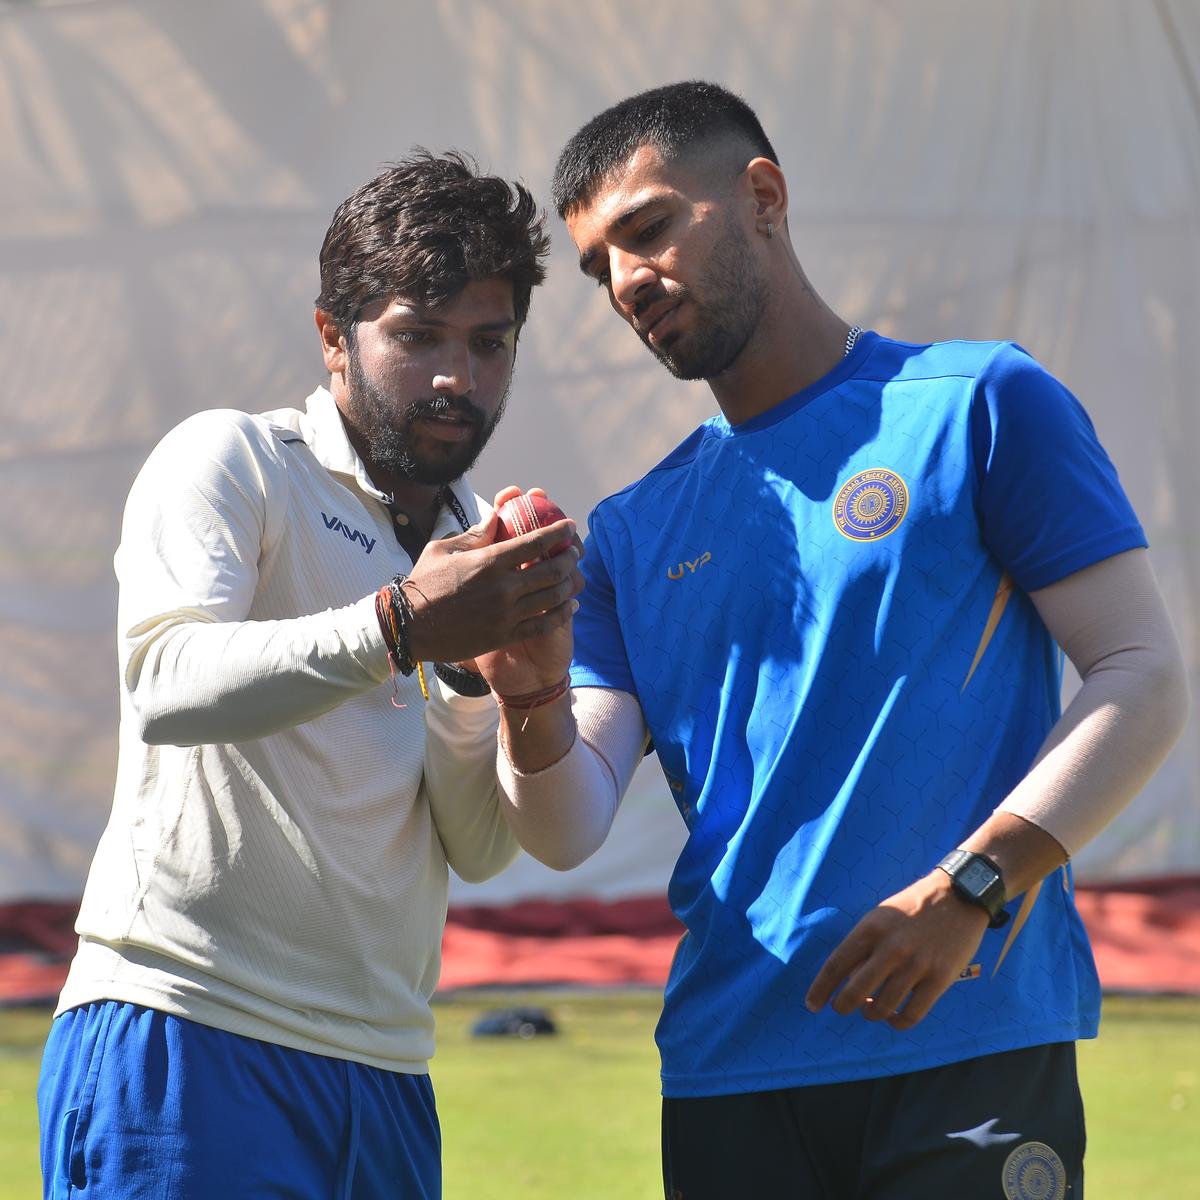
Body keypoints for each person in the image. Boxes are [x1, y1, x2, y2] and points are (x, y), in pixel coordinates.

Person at [483, 82, 1190, 1198]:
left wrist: (973, 889)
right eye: (597, 267)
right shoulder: (628, 532)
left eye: (648, 228)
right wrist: (527, 695)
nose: (625, 282)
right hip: (728, 1069)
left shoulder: (978, 403)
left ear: (763, 196)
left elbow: (1141, 675)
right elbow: (566, 829)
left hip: (968, 1039)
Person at [37, 150, 583, 1199]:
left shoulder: (478, 541)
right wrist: (401, 622)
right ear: (334, 336)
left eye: (489, 342)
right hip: (187, 1027)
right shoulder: (235, 459)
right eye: (417, 335)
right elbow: (166, 686)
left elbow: (476, 851)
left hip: (387, 1067)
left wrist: (494, 682)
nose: (456, 378)